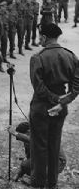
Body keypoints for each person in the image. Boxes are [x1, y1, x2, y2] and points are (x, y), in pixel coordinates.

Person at [29, 23, 79, 188]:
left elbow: (39, 87)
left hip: (41, 107)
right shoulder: (70, 56)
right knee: (54, 145)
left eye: (40, 37)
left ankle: (38, 183)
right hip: (60, 109)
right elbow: (76, 85)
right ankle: (52, 184)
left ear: (44, 37)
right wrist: (62, 101)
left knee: (39, 147)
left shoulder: (38, 57)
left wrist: (55, 100)